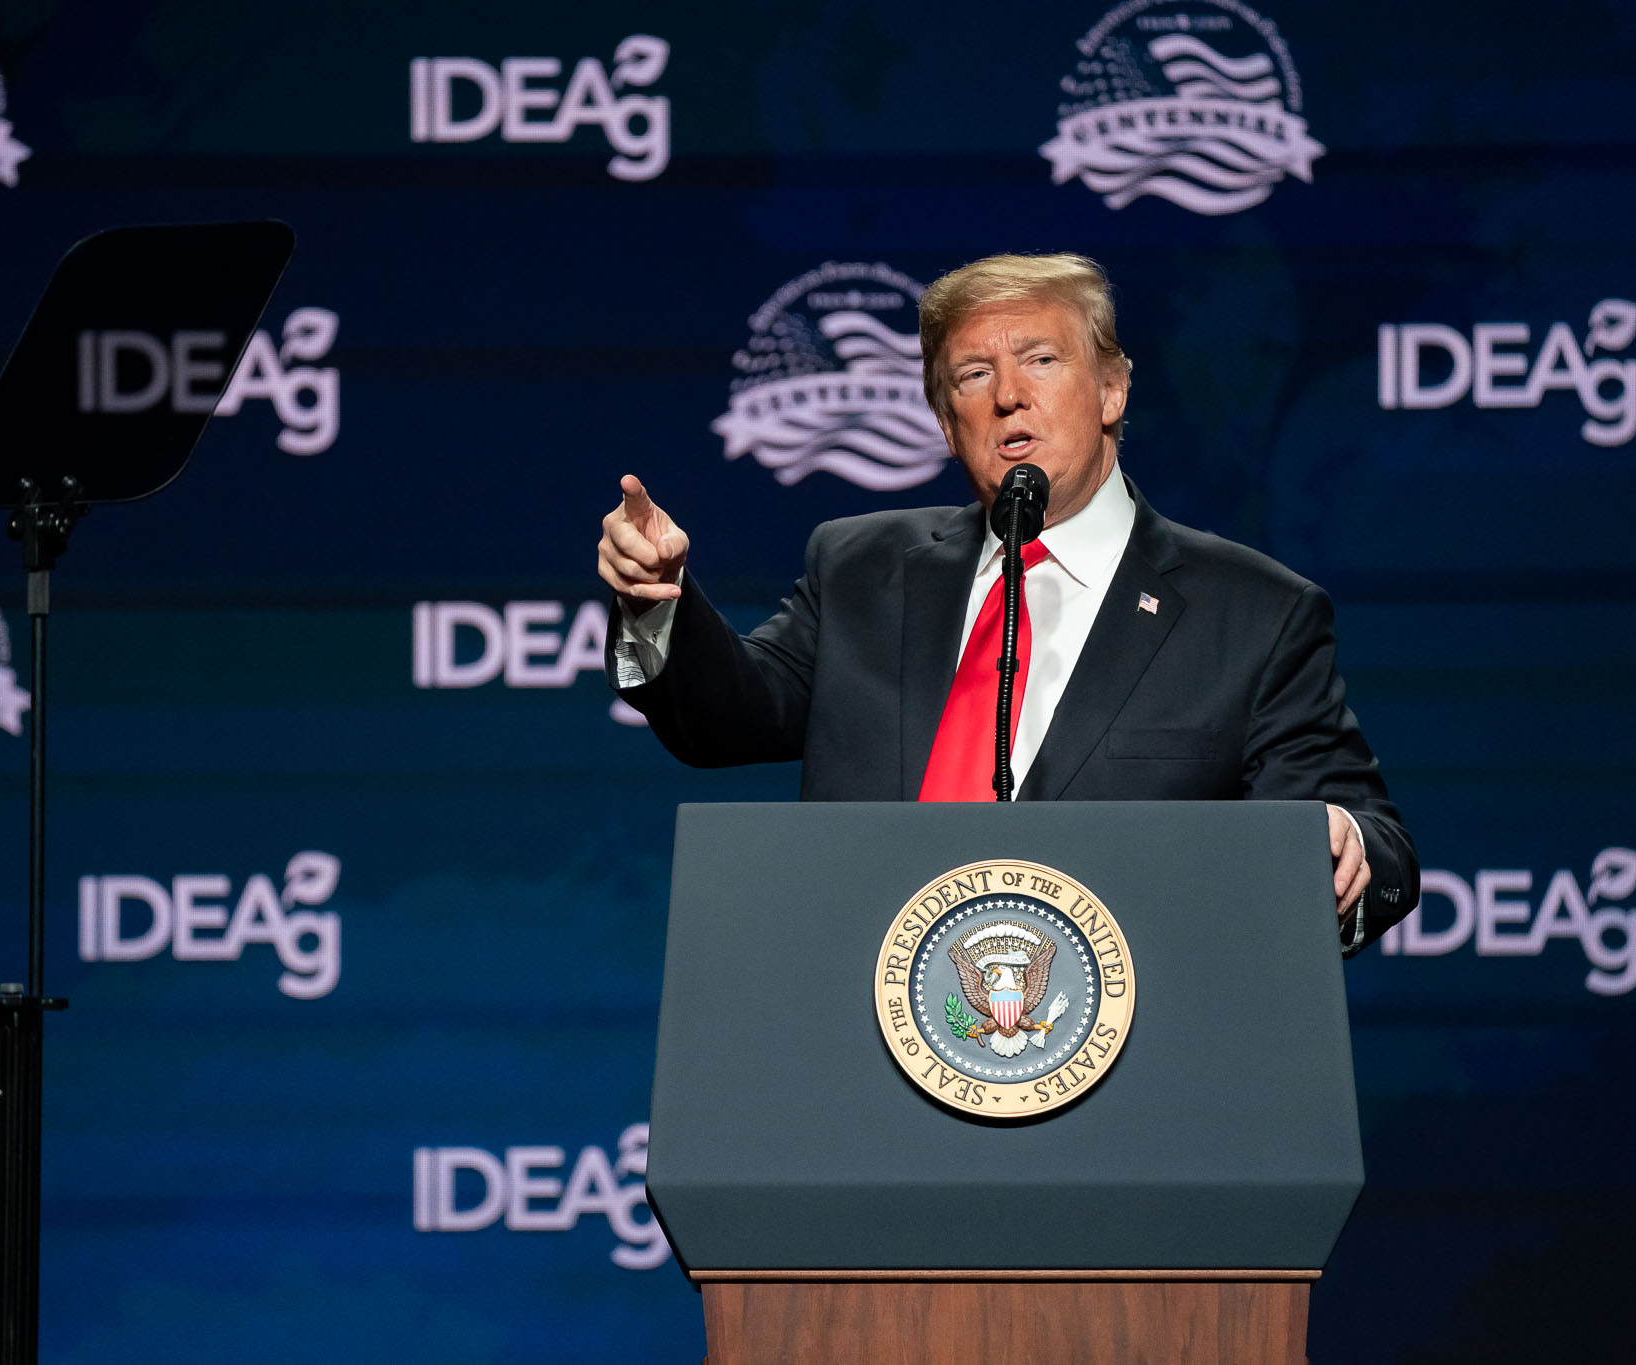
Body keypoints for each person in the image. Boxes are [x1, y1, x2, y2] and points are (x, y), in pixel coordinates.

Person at [597, 253, 1416, 953]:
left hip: (1127, 1051)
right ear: (946, 422)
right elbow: (727, 716)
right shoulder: (861, 569)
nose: (1009, 395)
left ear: (1113, 389)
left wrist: (1340, 844)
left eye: (1041, 360)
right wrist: (653, 601)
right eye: (973, 375)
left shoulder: (1255, 613)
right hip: (861, 1025)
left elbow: (1376, 842)